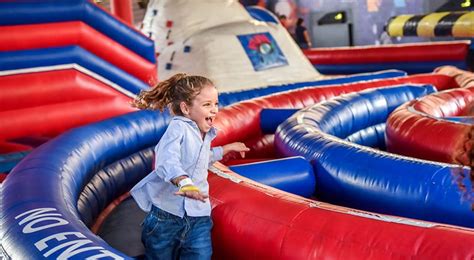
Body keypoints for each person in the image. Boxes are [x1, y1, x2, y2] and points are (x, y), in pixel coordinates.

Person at [130, 73, 250, 260]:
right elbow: (167, 160)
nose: (214, 110)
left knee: (200, 255)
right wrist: (184, 182)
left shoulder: (204, 133)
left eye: (216, 104)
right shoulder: (179, 128)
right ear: (186, 108)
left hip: (198, 215)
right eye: (207, 105)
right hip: (166, 215)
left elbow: (198, 158)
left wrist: (225, 149)